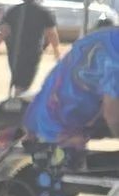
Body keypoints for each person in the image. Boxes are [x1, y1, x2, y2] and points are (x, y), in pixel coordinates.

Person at [27, 11, 119, 146]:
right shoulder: (114, 59)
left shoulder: (105, 38)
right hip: (58, 126)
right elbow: (112, 115)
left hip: (42, 114)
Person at [1, 0, 60, 96]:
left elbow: (3, 32)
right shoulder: (43, 12)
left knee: (18, 81)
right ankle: (18, 100)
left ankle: (18, 98)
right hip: (32, 52)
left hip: (15, 50)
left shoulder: (14, 10)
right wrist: (56, 51)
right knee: (23, 83)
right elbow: (51, 33)